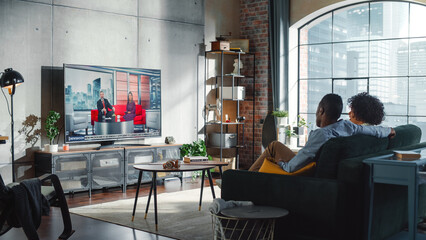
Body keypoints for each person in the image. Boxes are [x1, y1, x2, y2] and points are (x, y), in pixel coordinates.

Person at [248, 93, 395, 173]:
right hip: (314, 163)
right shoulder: (351, 128)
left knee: (274, 146)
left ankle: (246, 179)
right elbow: (374, 130)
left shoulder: (323, 134)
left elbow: (294, 166)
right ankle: (248, 177)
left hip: (306, 171)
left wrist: (281, 164)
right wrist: (389, 130)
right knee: (276, 148)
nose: (349, 114)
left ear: (321, 111)